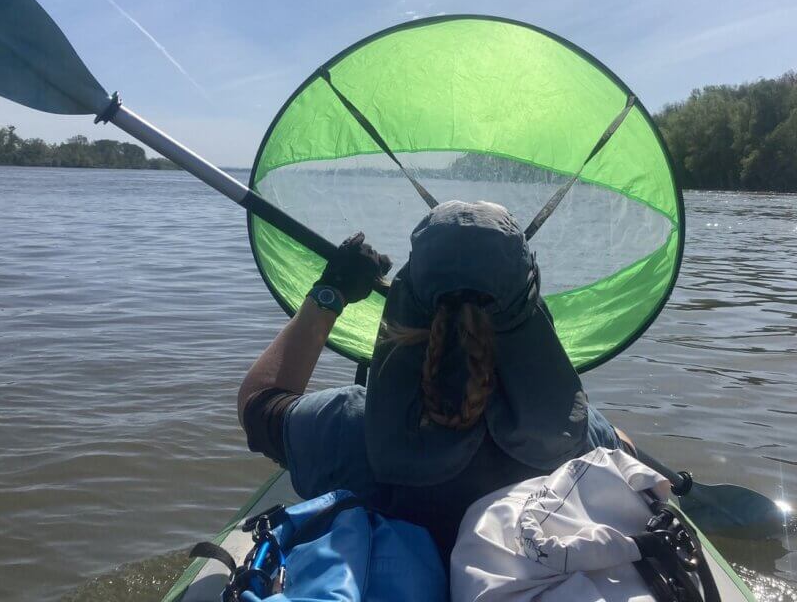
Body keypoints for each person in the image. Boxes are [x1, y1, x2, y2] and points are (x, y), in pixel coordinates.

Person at [238, 200, 635, 561]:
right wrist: (594, 421)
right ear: (531, 308)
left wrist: (331, 292)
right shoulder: (577, 436)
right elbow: (625, 453)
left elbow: (257, 404)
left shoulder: (353, 427)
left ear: (407, 299)